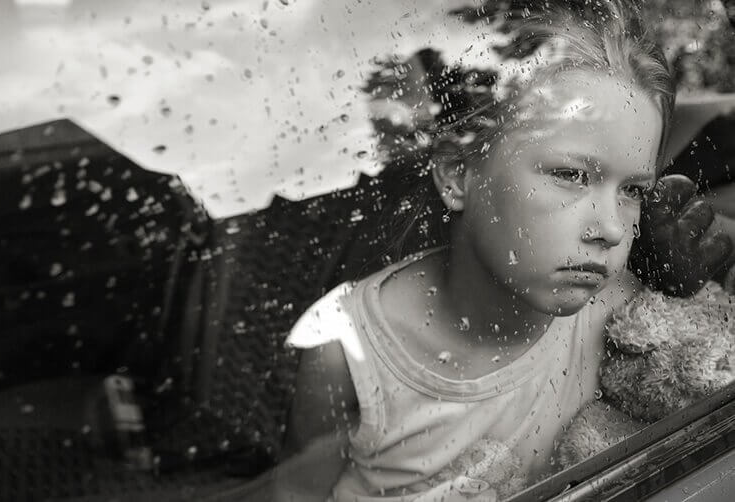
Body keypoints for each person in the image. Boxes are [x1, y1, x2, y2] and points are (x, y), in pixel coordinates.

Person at [275, 1, 731, 500]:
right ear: (457, 173)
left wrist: (680, 281)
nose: (612, 229)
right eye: (570, 175)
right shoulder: (348, 353)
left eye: (633, 191)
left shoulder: (624, 311)